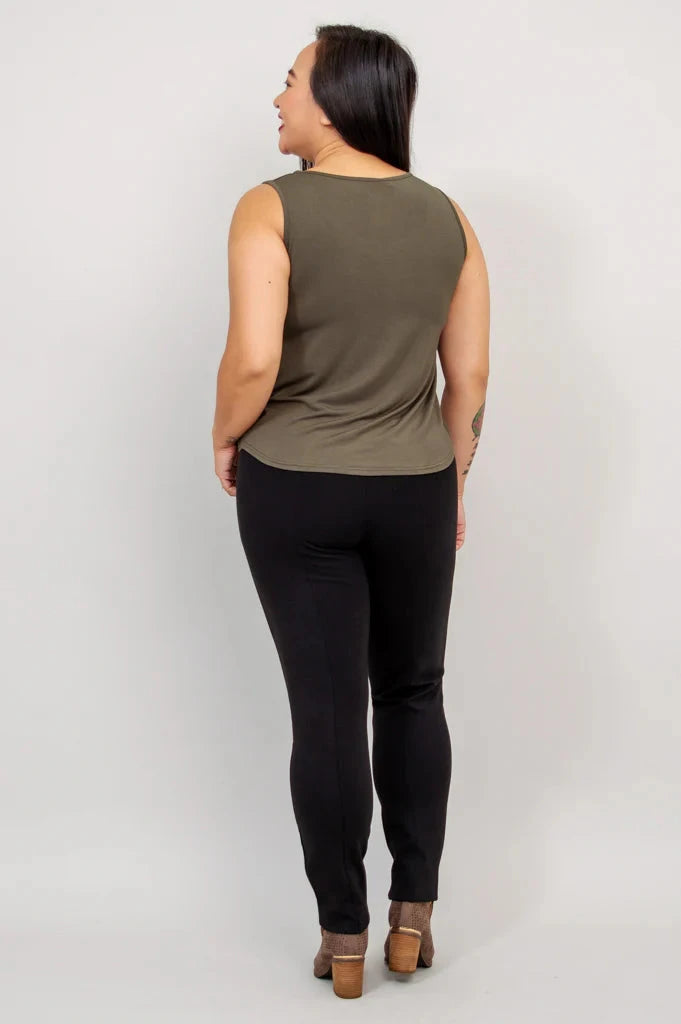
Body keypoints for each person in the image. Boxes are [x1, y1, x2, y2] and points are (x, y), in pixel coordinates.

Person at [212, 24, 489, 999]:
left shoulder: (270, 206)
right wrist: (451, 482)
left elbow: (255, 358)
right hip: (416, 487)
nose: (277, 98)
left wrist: (222, 434)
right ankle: (414, 918)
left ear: (332, 101)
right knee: (413, 692)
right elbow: (469, 378)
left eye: (290, 80)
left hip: (298, 484)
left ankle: (342, 937)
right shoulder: (447, 216)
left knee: (328, 712)